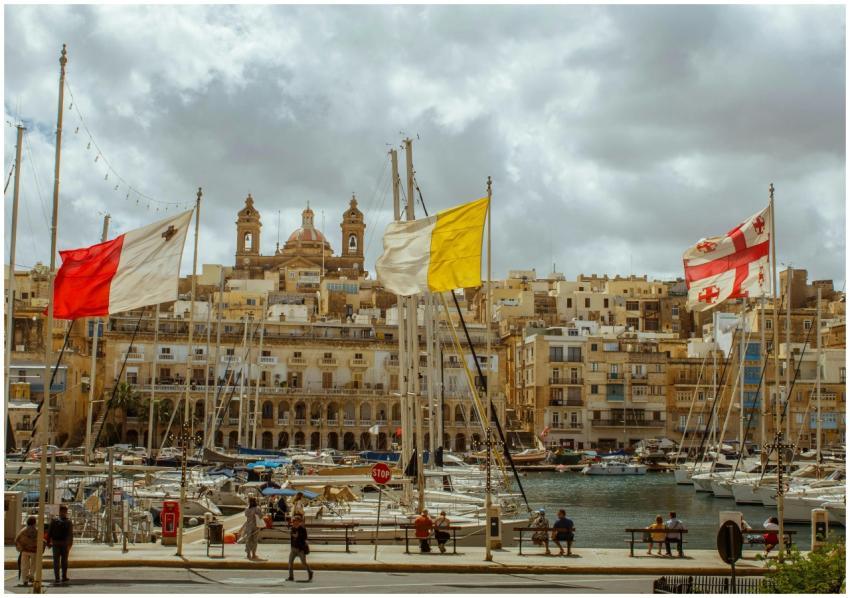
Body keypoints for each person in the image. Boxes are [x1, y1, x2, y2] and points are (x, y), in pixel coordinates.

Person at [46, 504, 73, 584]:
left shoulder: (54, 520)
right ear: (65, 512)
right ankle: (64, 577)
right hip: (64, 543)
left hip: (55, 543)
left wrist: (48, 542)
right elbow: (70, 534)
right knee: (64, 561)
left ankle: (57, 578)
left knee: (56, 561)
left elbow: (49, 532)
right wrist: (70, 544)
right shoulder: (68, 521)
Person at [286, 515, 313, 582]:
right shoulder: (293, 528)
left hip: (300, 549)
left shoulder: (302, 529)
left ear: (299, 521)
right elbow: (292, 537)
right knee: (290, 563)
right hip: (293, 548)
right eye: (294, 521)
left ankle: (310, 572)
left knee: (303, 563)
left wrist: (298, 536)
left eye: (295, 521)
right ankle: (291, 577)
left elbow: (305, 538)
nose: (294, 522)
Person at [15, 516, 39, 587]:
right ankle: (31, 576)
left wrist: (20, 548)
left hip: (25, 551)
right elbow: (40, 541)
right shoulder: (37, 531)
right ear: (34, 523)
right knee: (33, 565)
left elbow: (17, 540)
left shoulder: (23, 530)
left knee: (24, 566)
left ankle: (25, 580)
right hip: (34, 551)